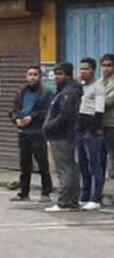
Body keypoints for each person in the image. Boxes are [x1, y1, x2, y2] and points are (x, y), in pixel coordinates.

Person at [10, 65, 54, 202]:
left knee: (42, 164)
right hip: (23, 132)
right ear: (26, 76)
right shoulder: (21, 92)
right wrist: (16, 119)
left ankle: (46, 192)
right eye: (30, 74)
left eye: (35, 74)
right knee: (25, 163)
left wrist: (32, 117)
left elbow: (48, 112)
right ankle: (24, 192)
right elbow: (14, 109)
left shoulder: (45, 92)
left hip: (38, 131)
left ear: (39, 76)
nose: (32, 77)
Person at [43, 62, 83, 212]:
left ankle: (65, 201)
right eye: (56, 74)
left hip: (62, 136)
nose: (57, 77)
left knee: (64, 170)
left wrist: (49, 126)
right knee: (70, 168)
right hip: (64, 135)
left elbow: (65, 116)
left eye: (60, 74)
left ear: (68, 75)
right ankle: (72, 201)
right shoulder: (65, 91)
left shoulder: (69, 93)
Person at [76, 57, 106, 211]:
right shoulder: (80, 87)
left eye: (86, 69)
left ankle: (96, 198)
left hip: (91, 128)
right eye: (81, 68)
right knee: (82, 165)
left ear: (93, 70)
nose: (83, 72)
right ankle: (85, 195)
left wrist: (92, 131)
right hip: (80, 127)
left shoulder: (98, 87)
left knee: (94, 165)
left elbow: (99, 110)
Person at [99, 54, 114, 179]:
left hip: (112, 124)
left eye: (109, 66)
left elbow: (108, 101)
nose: (106, 68)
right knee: (99, 159)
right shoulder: (99, 81)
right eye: (103, 66)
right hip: (100, 125)